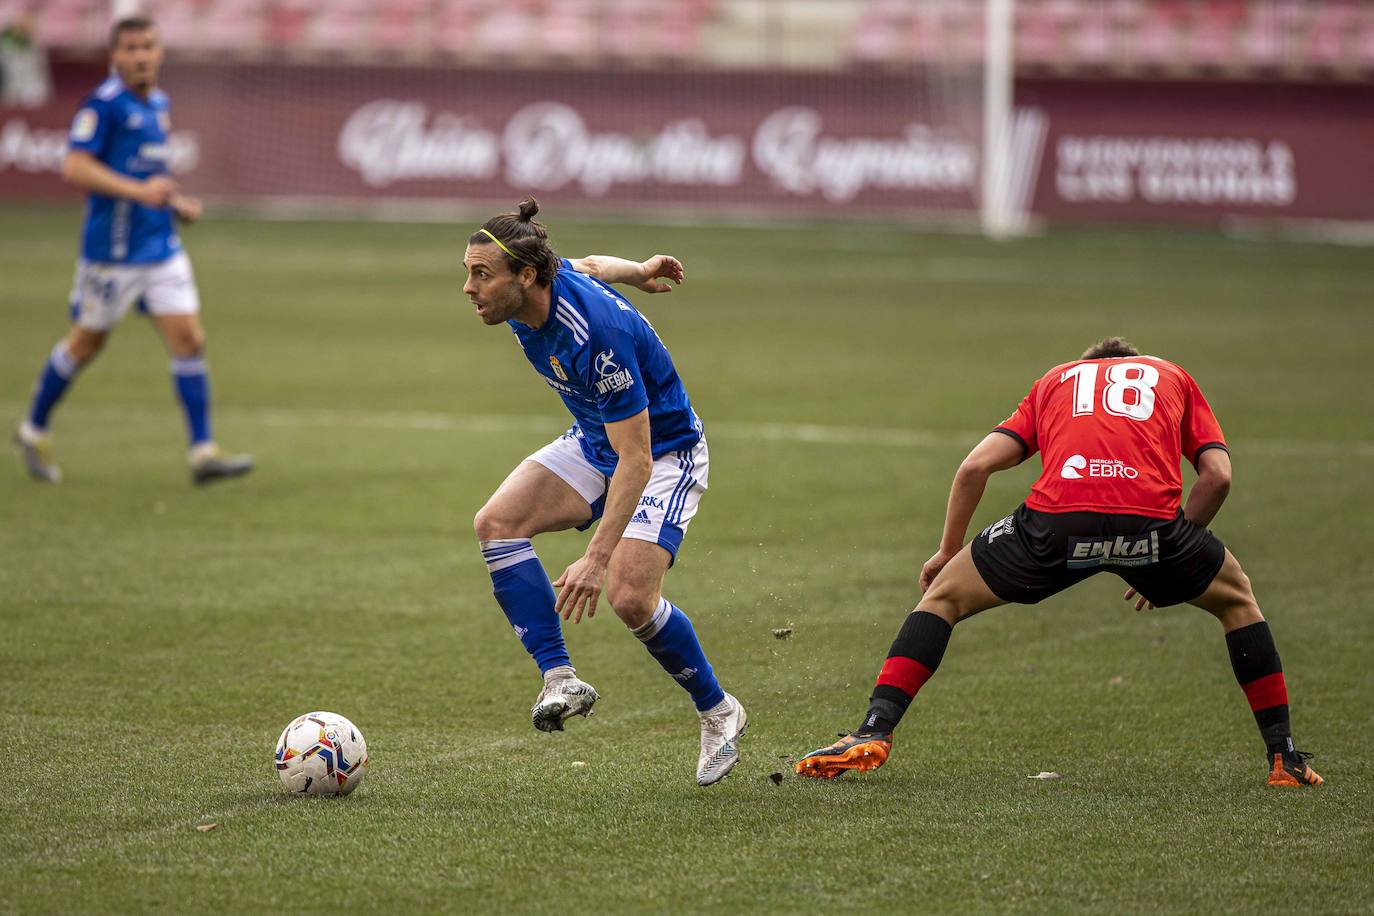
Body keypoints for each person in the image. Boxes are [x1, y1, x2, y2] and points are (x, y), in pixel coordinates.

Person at [796, 337, 1323, 788]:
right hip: (1152, 527)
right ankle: (1284, 757)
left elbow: (973, 468)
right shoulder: (1173, 377)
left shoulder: (1057, 381)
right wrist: (1172, 553)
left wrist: (947, 550)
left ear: (1086, 364)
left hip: (1055, 524)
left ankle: (874, 729)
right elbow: (1218, 477)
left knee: (943, 600)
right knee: (1239, 602)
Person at [465, 198, 745, 787]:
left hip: (663, 454)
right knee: (496, 524)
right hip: (596, 440)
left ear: (526, 277)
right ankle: (559, 679)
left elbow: (638, 459)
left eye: (480, 274)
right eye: (469, 272)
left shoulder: (597, 336)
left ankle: (719, 710)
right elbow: (590, 263)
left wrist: (595, 557)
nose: (469, 287)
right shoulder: (541, 283)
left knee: (629, 597)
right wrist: (640, 271)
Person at [13, 16, 251, 486]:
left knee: (190, 339)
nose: (141, 56)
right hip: (112, 254)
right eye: (131, 48)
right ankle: (33, 428)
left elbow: (147, 172)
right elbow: (76, 167)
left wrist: (176, 203)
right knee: (86, 344)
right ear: (115, 56)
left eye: (148, 46)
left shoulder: (159, 103)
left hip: (160, 247)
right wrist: (137, 193)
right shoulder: (103, 106)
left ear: (160, 52)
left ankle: (202, 452)